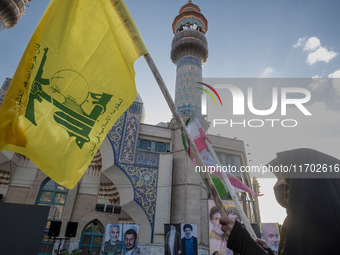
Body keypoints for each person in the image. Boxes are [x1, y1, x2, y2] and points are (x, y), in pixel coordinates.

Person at [219, 148, 340, 255]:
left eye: (281, 177)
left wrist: (244, 243)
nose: (276, 184)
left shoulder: (313, 229)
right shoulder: (308, 224)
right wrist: (267, 251)